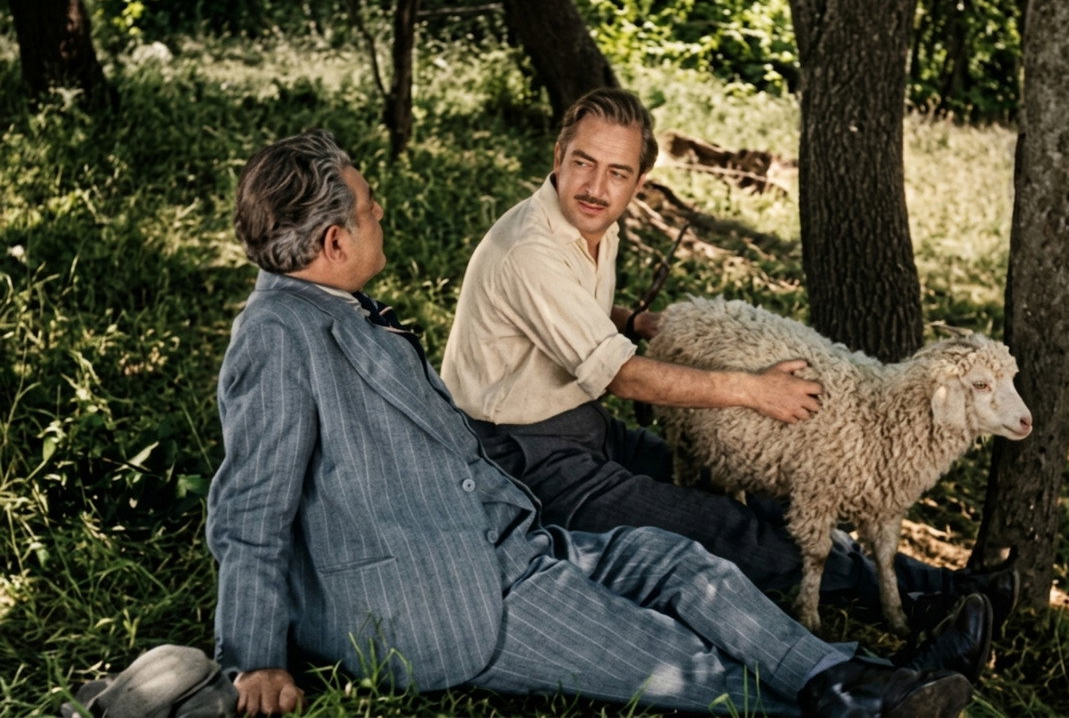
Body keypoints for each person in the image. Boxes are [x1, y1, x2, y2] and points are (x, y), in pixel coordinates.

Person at [205, 129, 989, 718]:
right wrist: (252, 660)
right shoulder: (278, 338)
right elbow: (249, 512)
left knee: (681, 562)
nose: (383, 215)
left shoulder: (334, 309)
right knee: (667, 651)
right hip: (442, 596)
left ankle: (849, 675)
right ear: (334, 239)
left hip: (503, 543)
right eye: (371, 208)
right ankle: (854, 706)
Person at [440, 87, 1018, 635]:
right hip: (522, 456)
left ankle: (954, 587)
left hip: (583, 429)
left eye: (617, 173)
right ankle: (913, 606)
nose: (595, 185)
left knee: (762, 492)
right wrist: (752, 390)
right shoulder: (531, 247)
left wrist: (634, 322)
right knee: (723, 523)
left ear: (638, 181)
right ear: (559, 155)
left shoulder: (587, 225)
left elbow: (567, 310)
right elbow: (622, 375)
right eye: (584, 163)